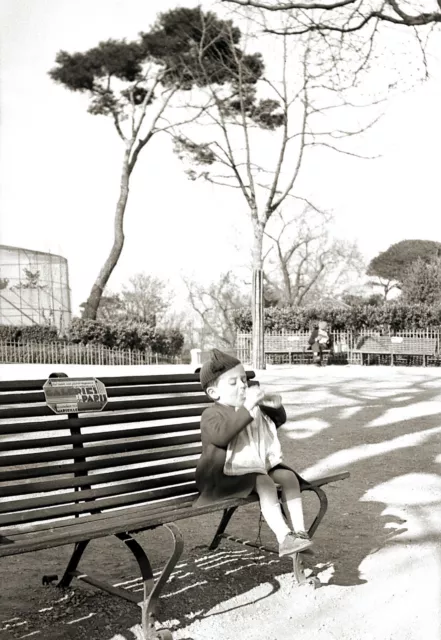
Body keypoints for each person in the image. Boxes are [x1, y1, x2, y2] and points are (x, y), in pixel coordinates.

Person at [194, 348, 313, 556]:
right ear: (214, 393)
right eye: (233, 383)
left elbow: (278, 420)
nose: (242, 385)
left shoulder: (250, 408)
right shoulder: (211, 414)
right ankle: (284, 537)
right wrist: (247, 407)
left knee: (288, 476)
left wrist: (273, 406)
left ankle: (300, 534)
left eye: (243, 380)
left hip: (252, 467)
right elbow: (222, 437)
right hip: (219, 478)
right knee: (264, 482)